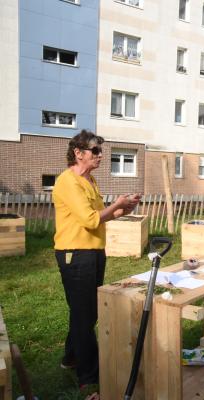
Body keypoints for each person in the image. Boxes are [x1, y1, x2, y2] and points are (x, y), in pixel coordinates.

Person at [53, 130, 139, 393]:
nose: (101, 156)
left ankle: (70, 358)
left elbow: (99, 217)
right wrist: (115, 206)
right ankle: (88, 380)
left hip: (93, 252)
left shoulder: (90, 181)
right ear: (78, 153)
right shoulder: (68, 181)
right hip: (76, 255)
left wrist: (123, 209)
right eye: (95, 151)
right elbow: (90, 220)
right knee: (85, 314)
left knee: (84, 311)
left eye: (101, 151)